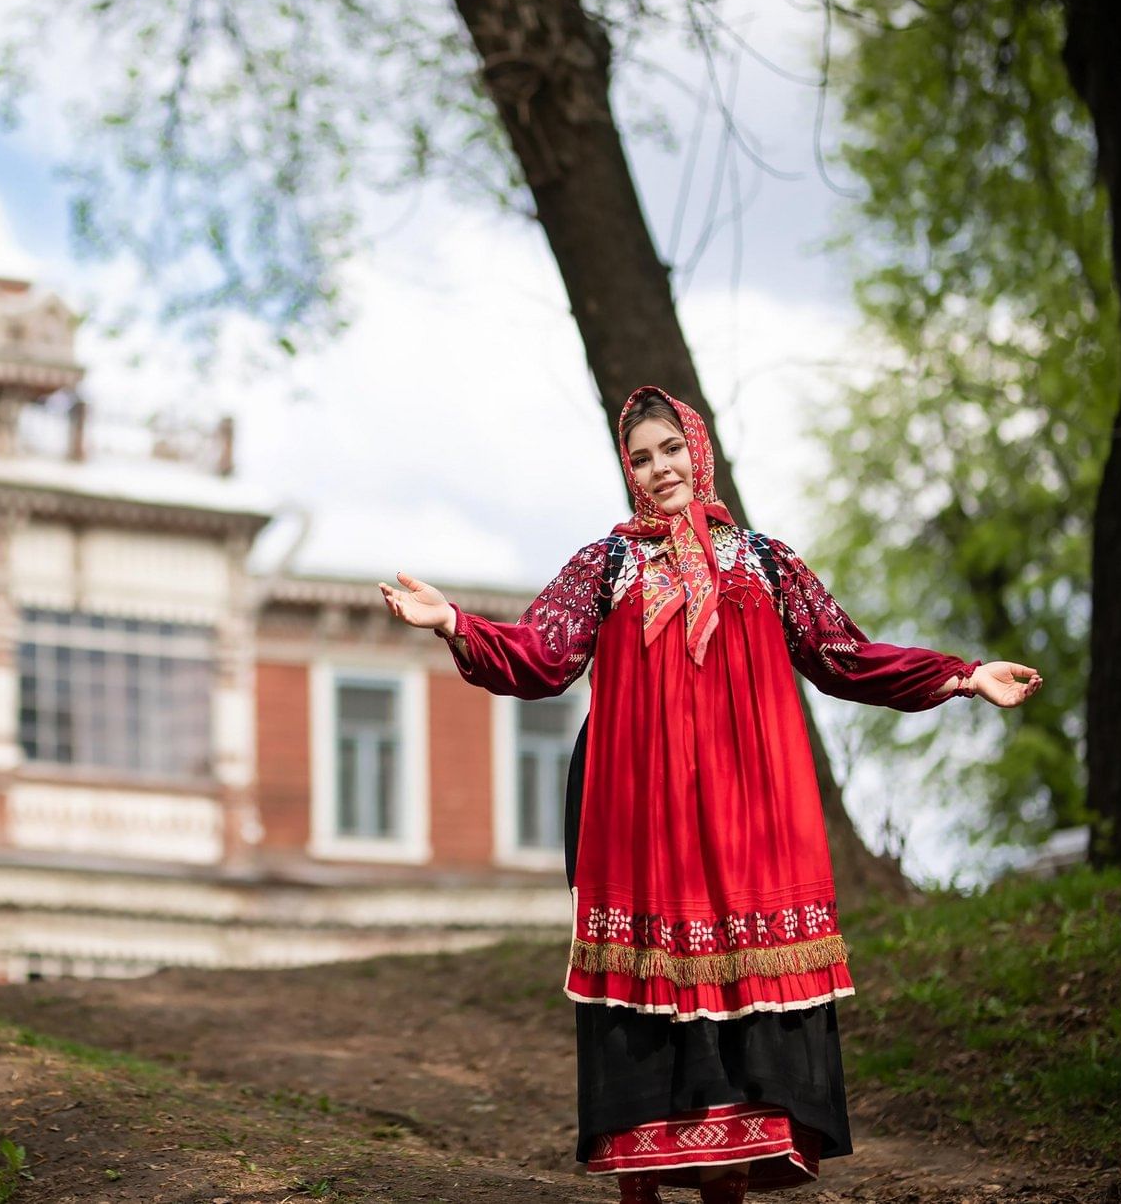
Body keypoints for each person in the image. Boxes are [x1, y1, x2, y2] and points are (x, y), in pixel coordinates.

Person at [377, 385, 1041, 1202]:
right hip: (640, 819)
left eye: (670, 449)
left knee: (737, 1050)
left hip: (744, 824)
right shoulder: (609, 562)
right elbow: (541, 654)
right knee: (643, 1022)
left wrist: (963, 676)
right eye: (641, 457)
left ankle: (725, 1179)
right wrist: (454, 624)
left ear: (700, 448)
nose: (659, 469)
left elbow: (844, 655)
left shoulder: (765, 560)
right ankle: (642, 1186)